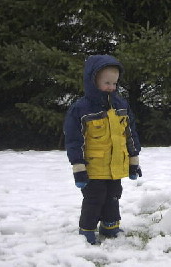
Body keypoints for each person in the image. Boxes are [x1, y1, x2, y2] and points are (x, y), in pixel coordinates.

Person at [64, 55, 142, 244]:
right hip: (93, 168)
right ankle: (87, 229)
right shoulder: (81, 109)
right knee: (95, 199)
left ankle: (110, 225)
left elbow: (130, 134)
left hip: (116, 166)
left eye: (114, 83)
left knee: (114, 196)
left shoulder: (121, 105)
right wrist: (79, 168)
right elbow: (74, 140)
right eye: (107, 82)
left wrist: (133, 161)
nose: (112, 87)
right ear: (93, 81)